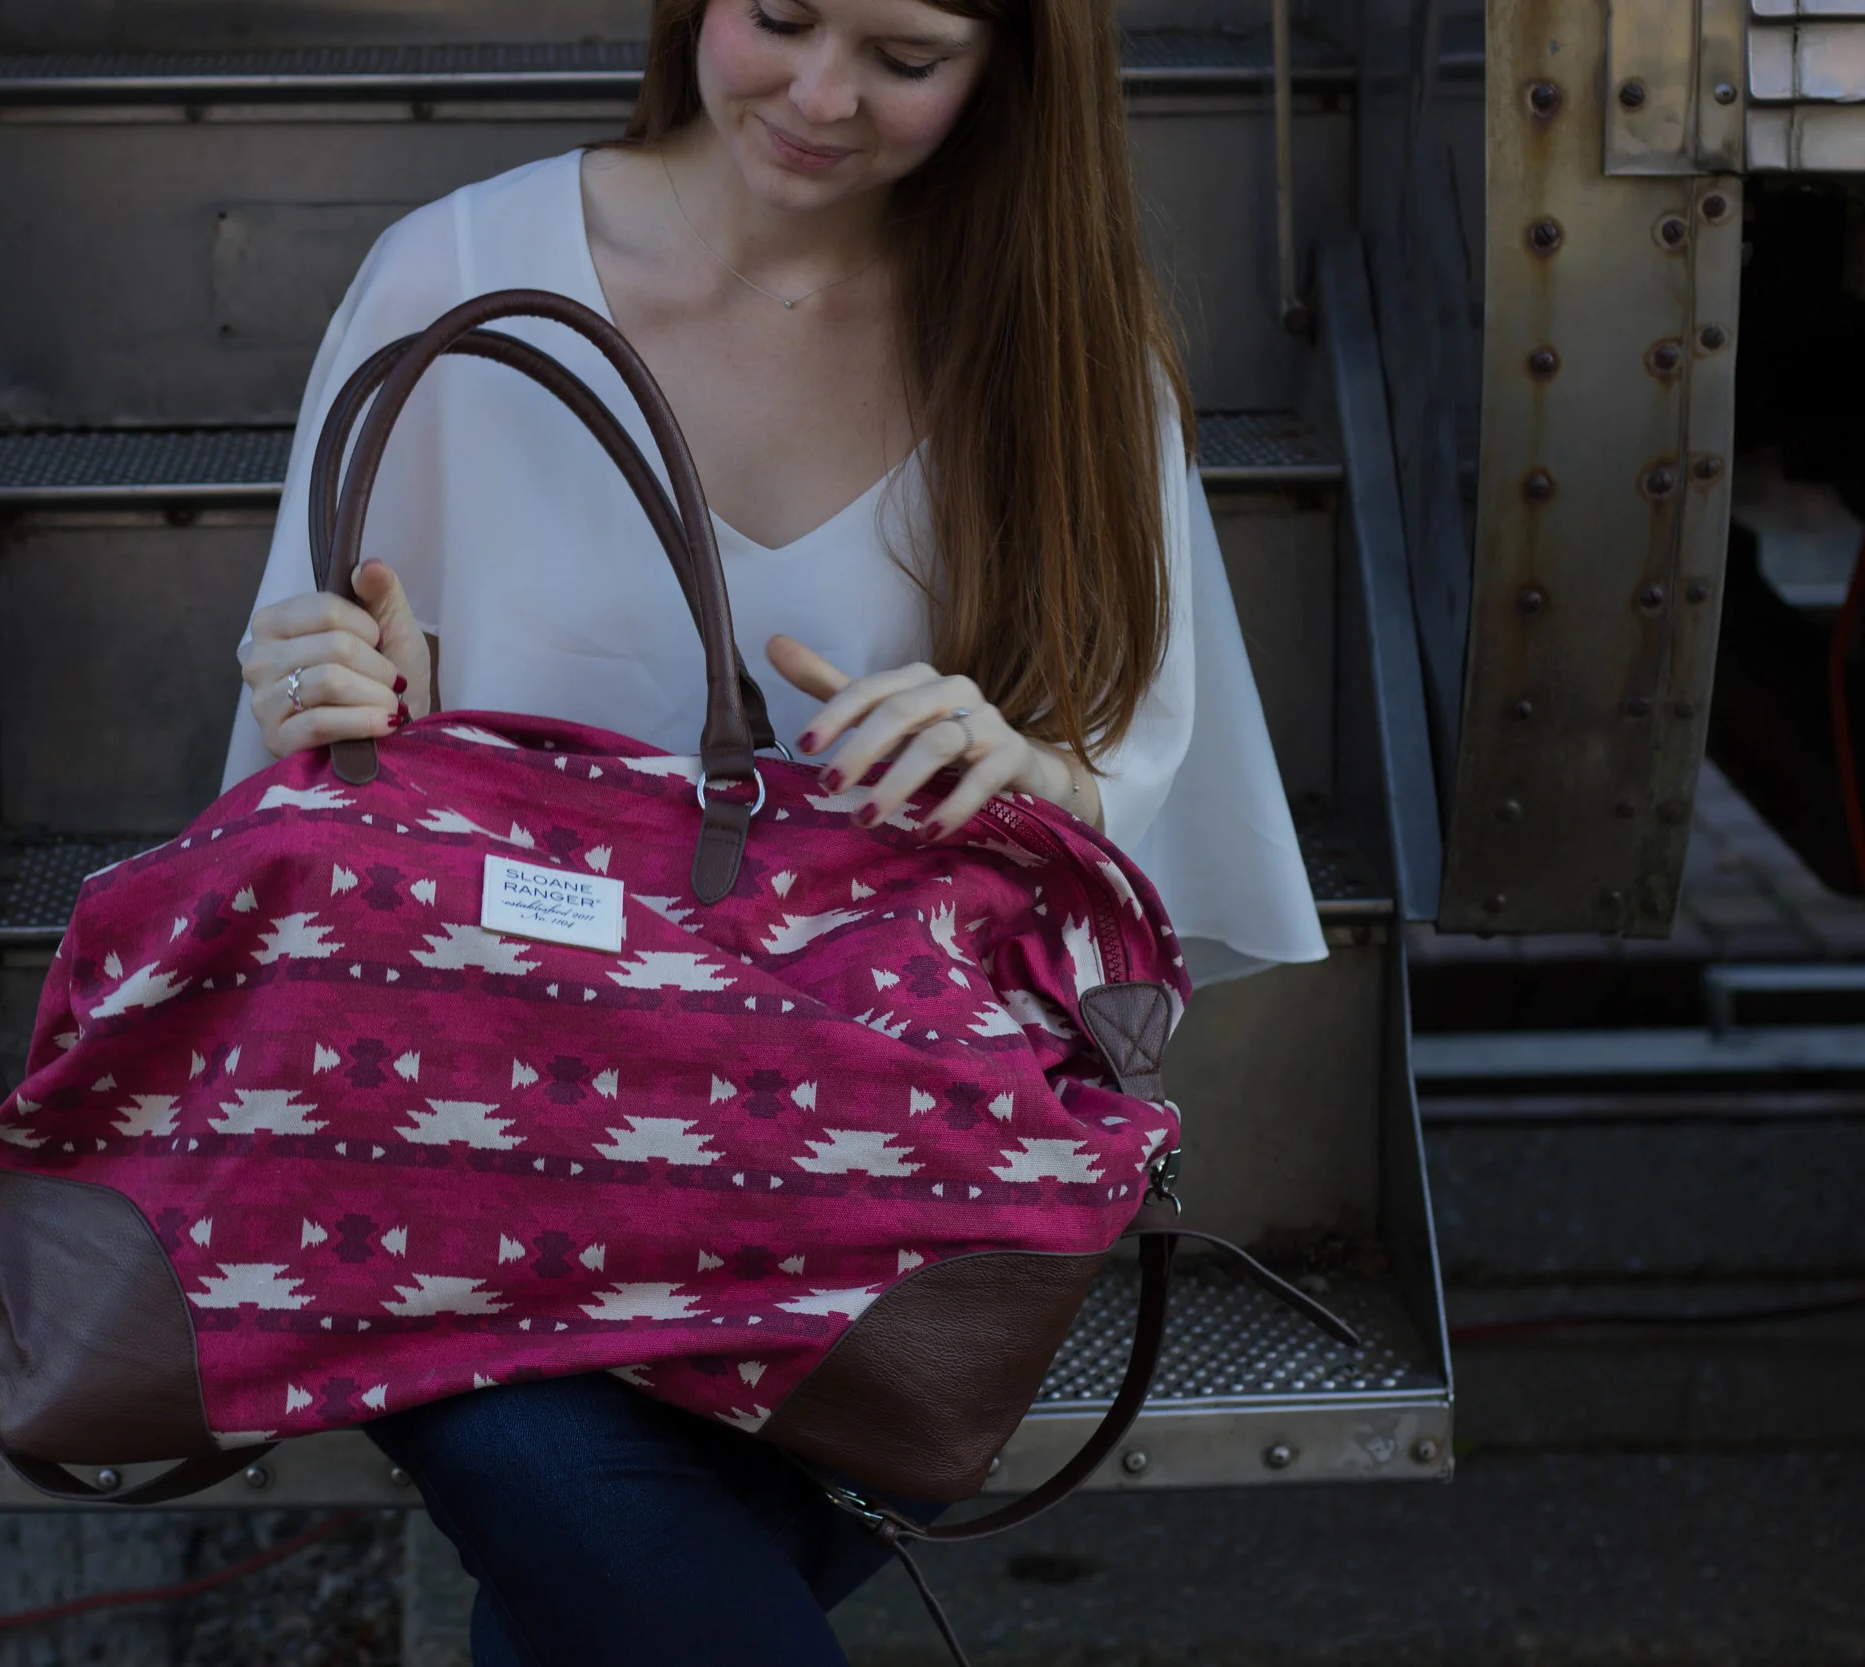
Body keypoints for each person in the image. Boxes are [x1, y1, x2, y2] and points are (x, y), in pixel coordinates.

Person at [222, 0, 1323, 1659]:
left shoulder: (1056, 335)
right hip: (493, 1141)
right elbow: (298, 825)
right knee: (562, 1477)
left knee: (586, 1559)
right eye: (786, 16)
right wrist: (325, 694)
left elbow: (1149, 797)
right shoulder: (453, 281)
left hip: (884, 1164)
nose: (820, 95)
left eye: (907, 54)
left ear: (1009, 67)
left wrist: (1029, 765)